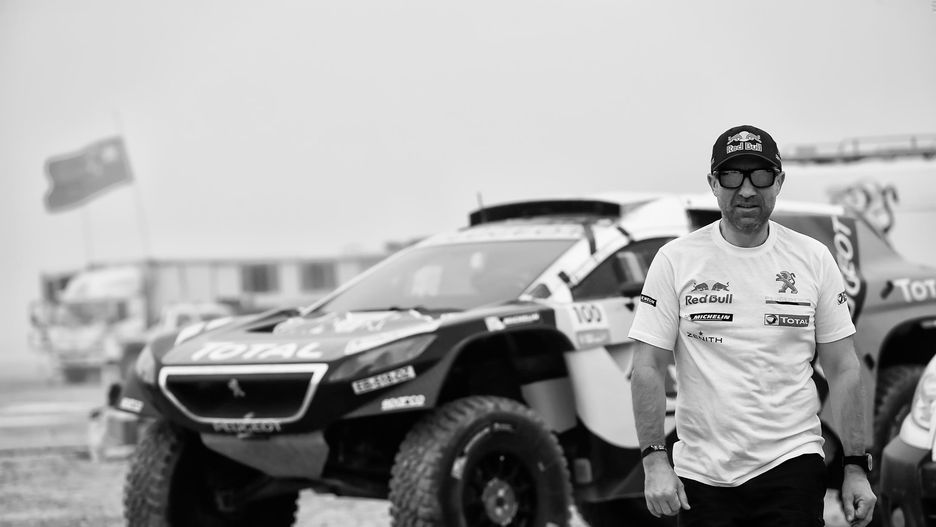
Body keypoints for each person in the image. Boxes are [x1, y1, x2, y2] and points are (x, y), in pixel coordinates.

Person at [628, 125, 876, 526]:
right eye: (731, 176)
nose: (746, 190)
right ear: (713, 183)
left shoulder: (813, 258)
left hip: (792, 464)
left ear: (779, 181)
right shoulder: (675, 260)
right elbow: (647, 365)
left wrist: (855, 468)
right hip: (702, 475)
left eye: (760, 175)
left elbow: (843, 366)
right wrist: (654, 461)